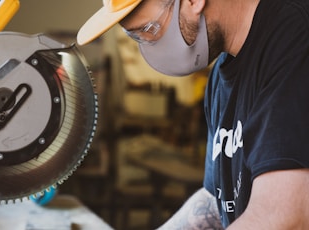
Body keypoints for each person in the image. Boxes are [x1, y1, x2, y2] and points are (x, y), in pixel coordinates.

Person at [77, 0, 309, 229]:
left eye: (148, 30)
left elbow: (284, 218)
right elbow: (218, 201)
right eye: (136, 37)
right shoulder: (221, 76)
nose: (147, 46)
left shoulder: (296, 38)